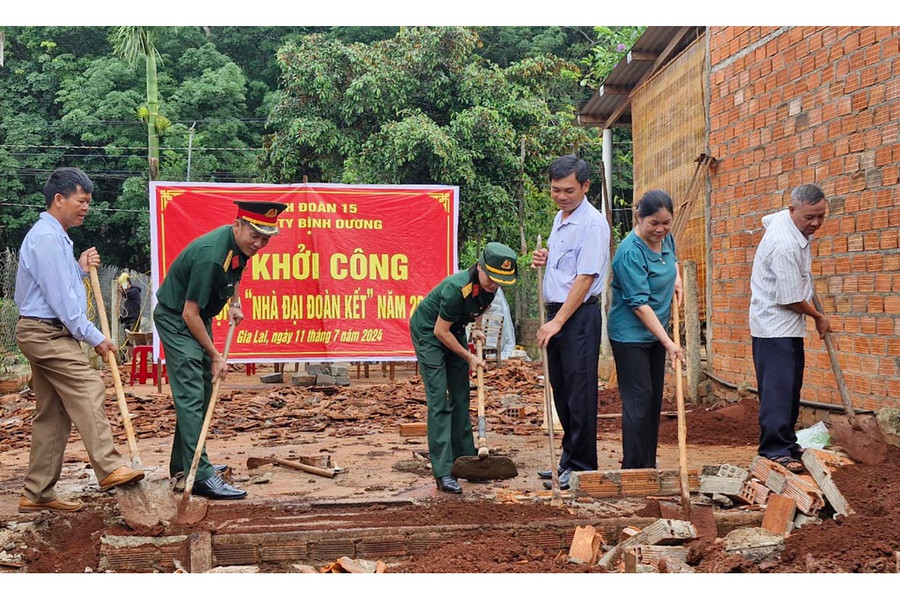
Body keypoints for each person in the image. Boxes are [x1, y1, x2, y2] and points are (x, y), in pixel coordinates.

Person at [14, 167, 145, 513]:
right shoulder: (45, 239)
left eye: (88, 201)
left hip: (46, 329)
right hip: (46, 332)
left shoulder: (55, 238)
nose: (86, 207)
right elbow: (64, 304)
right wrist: (98, 339)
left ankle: (37, 491)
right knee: (88, 385)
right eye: (81, 201)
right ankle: (109, 465)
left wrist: (78, 265)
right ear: (59, 200)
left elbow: (57, 284)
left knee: (53, 412)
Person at [154, 200, 287, 499]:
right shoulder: (211, 257)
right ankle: (200, 475)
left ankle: (184, 465)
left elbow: (235, 275)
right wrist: (216, 355)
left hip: (198, 318)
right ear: (237, 225)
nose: (260, 243)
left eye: (265, 238)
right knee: (191, 395)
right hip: (178, 320)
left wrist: (235, 304)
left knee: (200, 393)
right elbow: (189, 314)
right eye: (255, 235)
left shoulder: (240, 248)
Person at [409, 242, 518, 494]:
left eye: (499, 281)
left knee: (461, 396)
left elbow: (481, 304)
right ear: (479, 267)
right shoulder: (455, 289)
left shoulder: (491, 287)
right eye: (491, 278)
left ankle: (468, 463)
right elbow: (439, 331)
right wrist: (469, 357)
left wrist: (477, 327)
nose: (494, 284)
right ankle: (444, 471)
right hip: (429, 332)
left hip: (453, 330)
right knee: (439, 400)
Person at [532, 155, 610, 490]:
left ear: (585, 186)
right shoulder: (561, 218)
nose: (561, 196)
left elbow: (585, 276)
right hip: (558, 315)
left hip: (576, 317)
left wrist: (558, 322)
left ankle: (582, 466)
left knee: (580, 392)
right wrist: (545, 258)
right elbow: (565, 267)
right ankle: (567, 458)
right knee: (562, 389)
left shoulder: (592, 224)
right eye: (555, 190)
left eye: (568, 191)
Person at [749, 183, 830, 473]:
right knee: (778, 390)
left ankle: (787, 442)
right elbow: (791, 298)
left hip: (787, 326)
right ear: (792, 209)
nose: (816, 223)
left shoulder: (786, 222)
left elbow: (769, 220)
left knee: (790, 387)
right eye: (810, 217)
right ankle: (774, 449)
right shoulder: (784, 245)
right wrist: (819, 316)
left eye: (821, 216)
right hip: (774, 325)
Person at [608, 190, 684, 469]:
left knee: (653, 404)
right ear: (639, 217)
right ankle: (633, 469)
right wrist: (668, 343)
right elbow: (639, 305)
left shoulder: (666, 238)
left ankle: (648, 466)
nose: (660, 229)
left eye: (666, 222)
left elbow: (672, 259)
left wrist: (678, 279)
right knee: (638, 404)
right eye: (654, 223)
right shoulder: (629, 253)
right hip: (630, 337)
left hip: (656, 334)